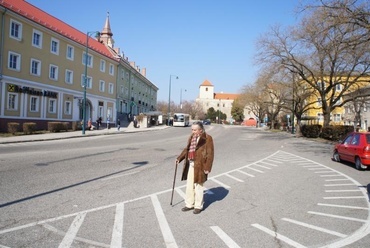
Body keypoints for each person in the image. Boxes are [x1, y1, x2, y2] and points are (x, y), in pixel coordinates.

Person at [175, 121, 214, 214]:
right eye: (192, 129)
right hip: (191, 164)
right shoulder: (192, 137)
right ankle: (189, 204)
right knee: (189, 185)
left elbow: (210, 154)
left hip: (200, 165)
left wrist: (207, 167)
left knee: (198, 186)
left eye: (195, 130)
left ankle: (198, 206)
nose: (193, 131)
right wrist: (179, 158)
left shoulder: (207, 138)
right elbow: (187, 149)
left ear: (201, 130)